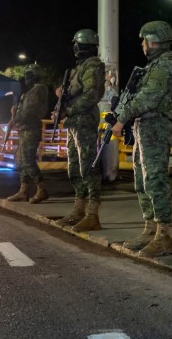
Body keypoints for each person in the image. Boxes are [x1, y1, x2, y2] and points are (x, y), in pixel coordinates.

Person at [110, 21, 172, 257]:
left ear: (155, 40)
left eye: (145, 40)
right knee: (142, 180)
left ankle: (163, 235)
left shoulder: (166, 66)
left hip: (156, 125)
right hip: (144, 126)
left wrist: (121, 119)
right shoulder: (154, 66)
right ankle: (149, 229)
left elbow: (148, 99)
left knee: (155, 179)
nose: (142, 45)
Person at [54, 29, 106, 232]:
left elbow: (93, 94)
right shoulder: (77, 69)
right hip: (74, 122)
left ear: (82, 46)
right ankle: (79, 209)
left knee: (88, 166)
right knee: (74, 167)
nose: (74, 48)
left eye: (76, 44)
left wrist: (70, 110)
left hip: (84, 121)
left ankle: (92, 214)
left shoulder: (92, 66)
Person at [6, 62, 50, 204]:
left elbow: (29, 111)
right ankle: (23, 191)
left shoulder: (37, 90)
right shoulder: (31, 90)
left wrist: (15, 119)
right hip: (25, 128)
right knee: (23, 161)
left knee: (28, 161)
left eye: (29, 74)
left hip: (30, 129)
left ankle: (41, 189)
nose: (27, 77)